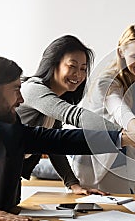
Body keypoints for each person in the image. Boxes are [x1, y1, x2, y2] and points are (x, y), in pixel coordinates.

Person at [0, 54, 135, 220]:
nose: (21, 100)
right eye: (15, 90)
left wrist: (126, 139)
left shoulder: (10, 131)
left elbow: (61, 140)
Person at [72, 24, 135, 194]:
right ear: (121, 53)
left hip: (122, 166)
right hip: (93, 166)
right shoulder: (105, 82)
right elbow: (121, 113)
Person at [17, 35, 107, 195]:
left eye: (83, 69)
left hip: (10, 170)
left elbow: (54, 146)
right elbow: (74, 115)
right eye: (72, 66)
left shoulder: (54, 101)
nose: (78, 75)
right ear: (54, 64)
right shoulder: (33, 90)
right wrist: (128, 136)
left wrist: (74, 185)